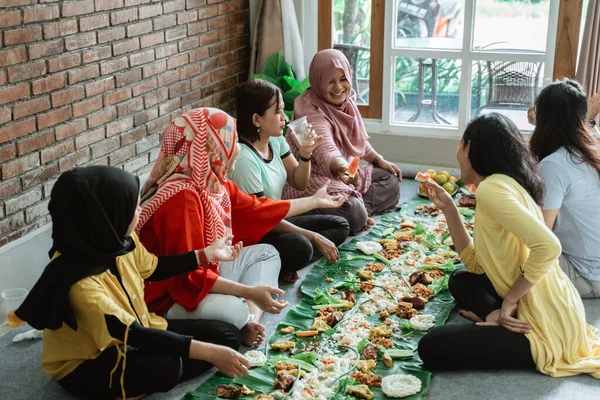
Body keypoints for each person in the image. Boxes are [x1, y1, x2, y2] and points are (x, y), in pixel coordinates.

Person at [15, 166, 254, 399]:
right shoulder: (80, 285)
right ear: (105, 216)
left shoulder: (118, 241)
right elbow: (133, 334)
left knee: (227, 336)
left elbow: (153, 268)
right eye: (133, 207)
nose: (140, 210)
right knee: (168, 366)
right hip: (90, 361)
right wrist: (209, 353)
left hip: (141, 326)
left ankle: (154, 372)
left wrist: (206, 254)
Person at [417, 113, 600, 378]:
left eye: (460, 143)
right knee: (460, 278)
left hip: (547, 324)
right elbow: (475, 263)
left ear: (470, 149)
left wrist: (510, 300)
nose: (457, 151)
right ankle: (497, 317)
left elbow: (549, 247)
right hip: (553, 302)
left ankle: (507, 320)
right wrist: (449, 209)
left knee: (431, 346)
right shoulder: (503, 183)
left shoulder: (491, 190)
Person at [137, 107, 346, 335]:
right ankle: (244, 318)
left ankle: (250, 323)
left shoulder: (214, 183)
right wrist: (247, 292)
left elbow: (260, 208)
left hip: (202, 273)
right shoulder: (181, 198)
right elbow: (187, 278)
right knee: (235, 311)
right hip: (170, 296)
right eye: (231, 140)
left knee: (267, 253)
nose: (236, 147)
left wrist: (315, 201)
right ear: (211, 149)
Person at [229, 79, 350, 282]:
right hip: (256, 234)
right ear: (257, 119)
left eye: (283, 110)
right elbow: (262, 218)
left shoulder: (275, 139)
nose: (284, 118)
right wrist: (313, 236)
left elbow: (298, 182)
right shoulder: (244, 161)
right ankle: (271, 265)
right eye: (277, 112)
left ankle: (282, 264)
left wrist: (305, 154)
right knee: (301, 245)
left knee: (340, 225)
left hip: (277, 220)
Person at [282, 49, 402, 235]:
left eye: (343, 79)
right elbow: (325, 149)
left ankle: (357, 214)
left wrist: (378, 160)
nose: (338, 87)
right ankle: (354, 214)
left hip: (342, 177)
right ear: (318, 81)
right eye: (330, 82)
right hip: (312, 180)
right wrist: (342, 167)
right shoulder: (311, 112)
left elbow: (356, 138)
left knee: (390, 179)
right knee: (352, 211)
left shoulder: (347, 103)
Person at [529, 79, 600, 298]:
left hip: (587, 276)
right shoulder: (591, 149)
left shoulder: (555, 165)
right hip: (594, 269)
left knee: (513, 245)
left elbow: (540, 236)